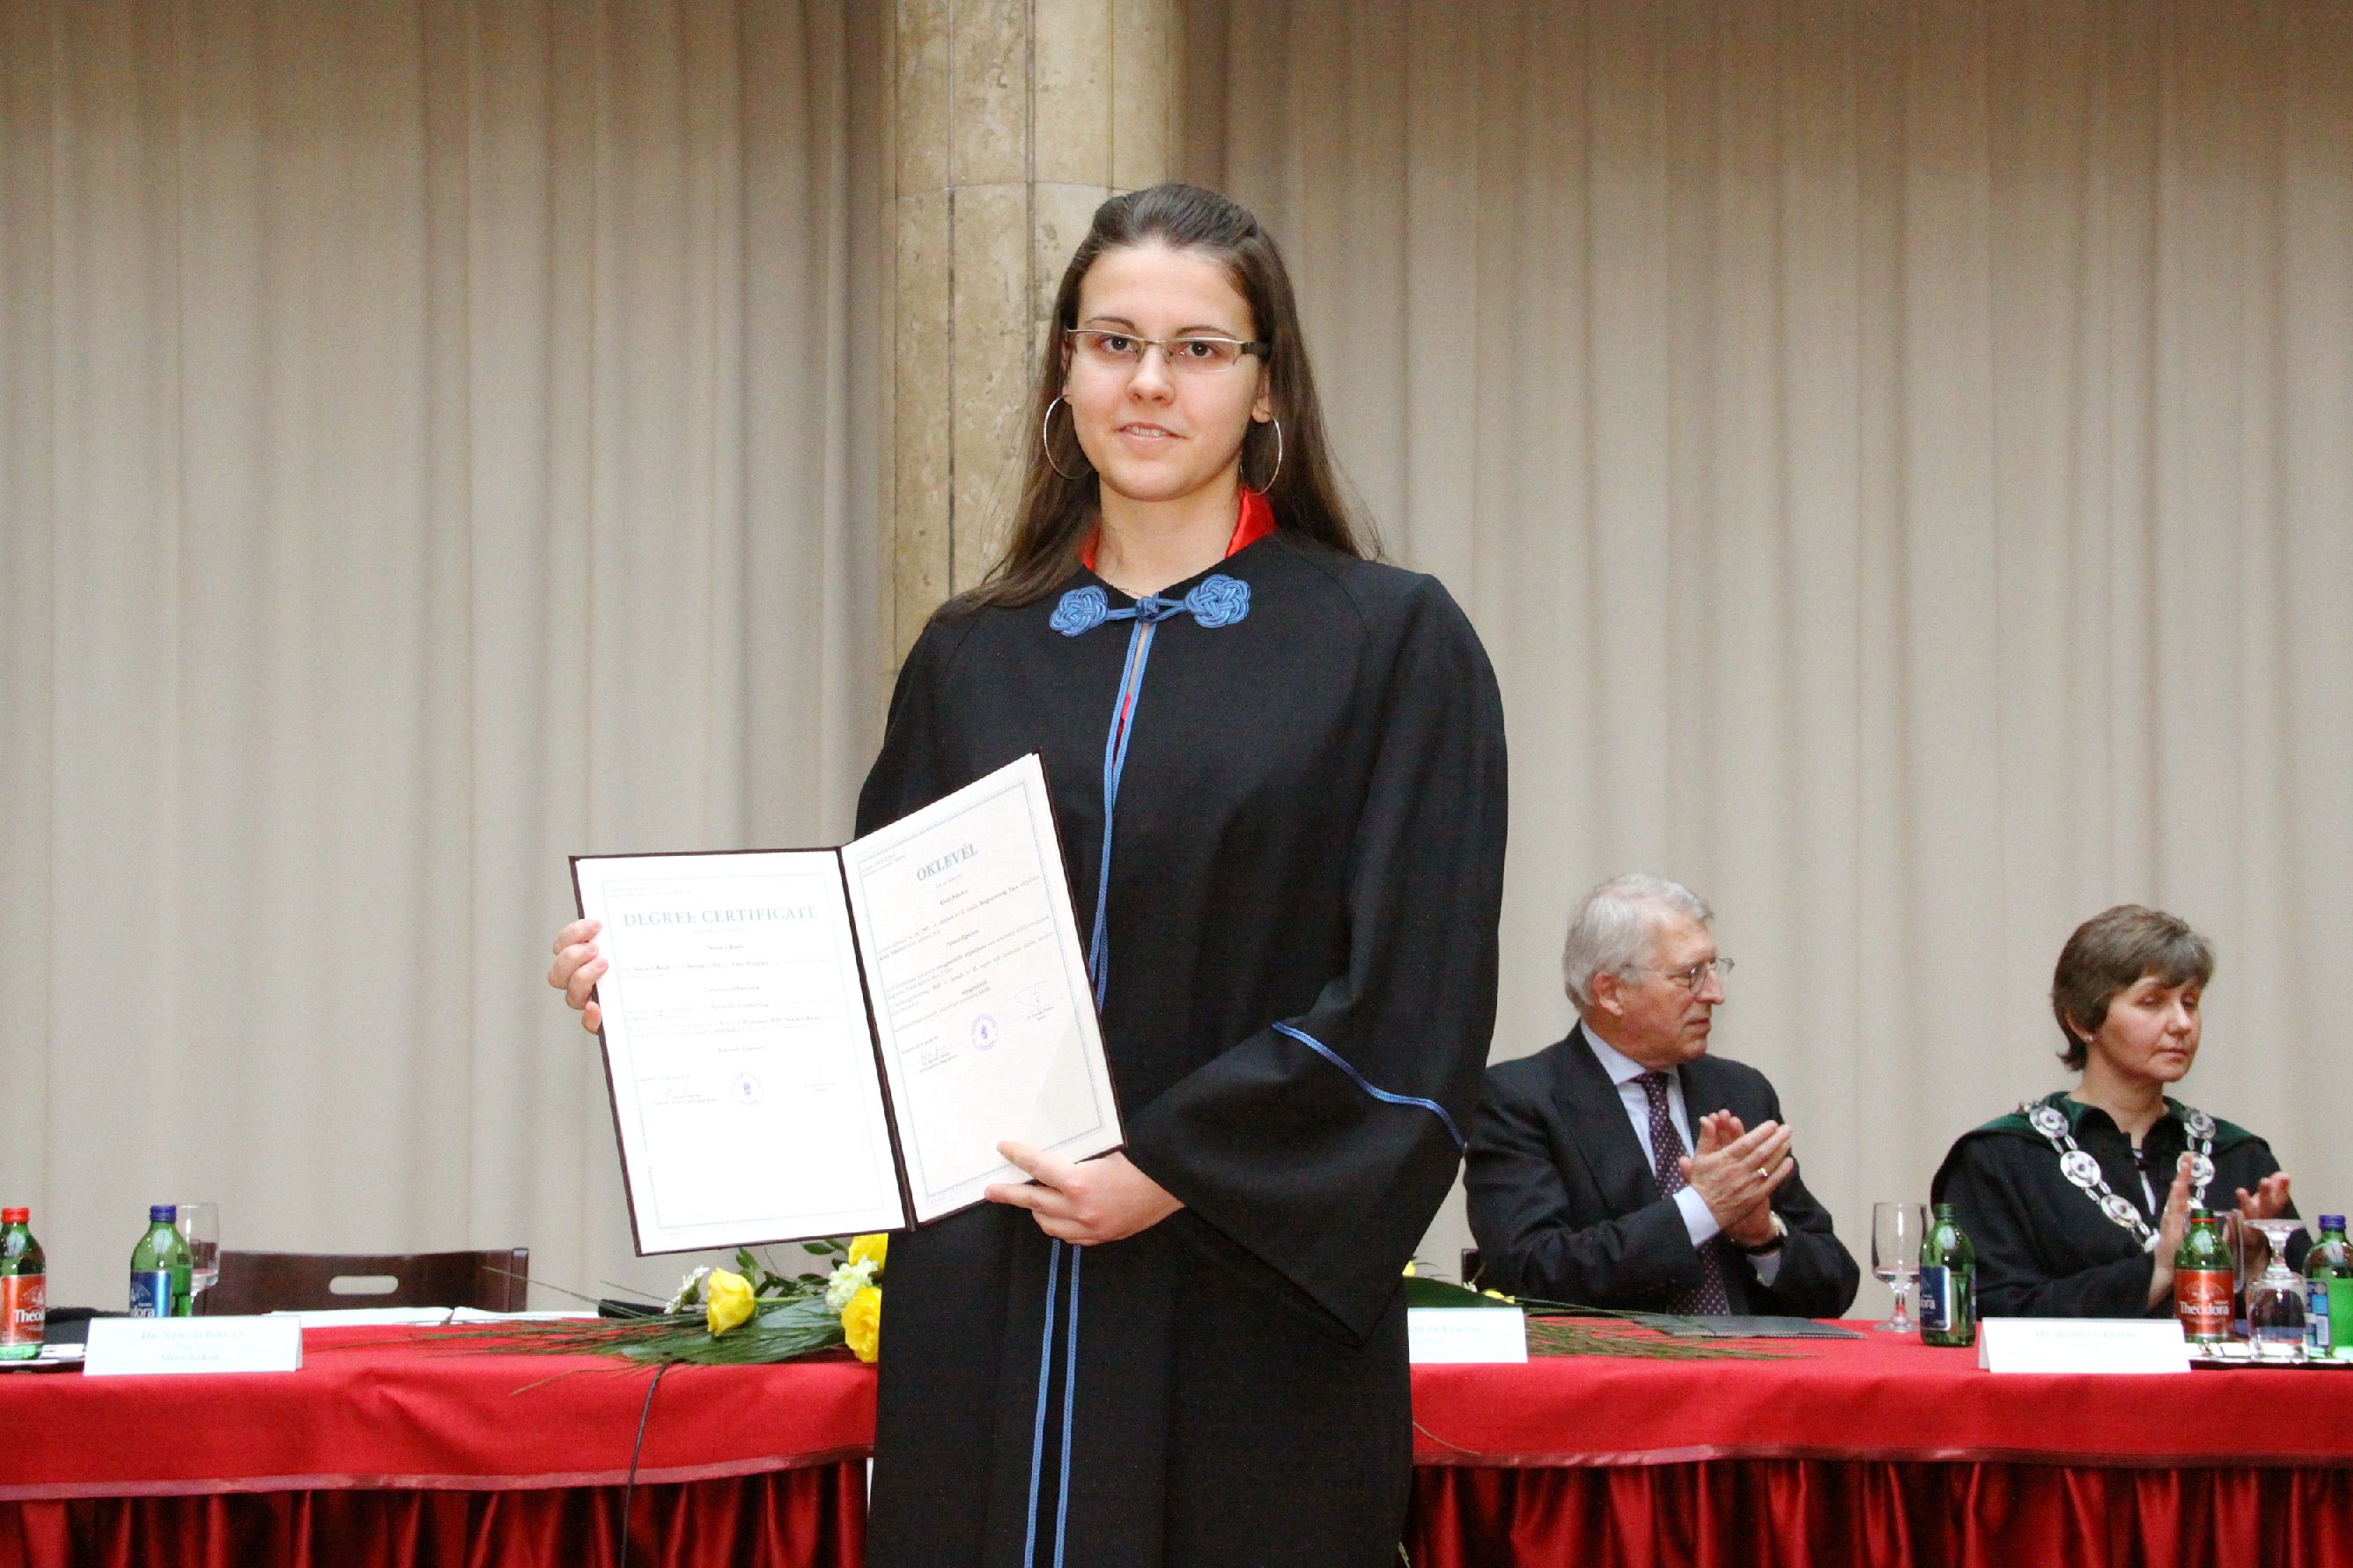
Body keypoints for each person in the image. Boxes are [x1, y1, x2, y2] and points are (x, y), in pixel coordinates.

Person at [550, 184, 1507, 1565]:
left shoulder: (1387, 644)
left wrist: (1168, 1168)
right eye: (1113, 342)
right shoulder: (974, 654)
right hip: (987, 1289)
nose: (1149, 382)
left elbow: (1412, 997)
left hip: (1241, 1294)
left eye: (1198, 348)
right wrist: (664, 1003)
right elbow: (884, 977)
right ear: (1066, 370)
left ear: (1266, 386)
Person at [1464, 874, 1858, 1317]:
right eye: (1691, 975)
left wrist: (1762, 1237)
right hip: (1613, 1361)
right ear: (1611, 993)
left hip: (1752, 1360)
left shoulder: (1740, 1091)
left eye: (1715, 968)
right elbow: (1531, 1271)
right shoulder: (1519, 1100)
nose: (1715, 994)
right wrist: (1700, 1210)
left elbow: (1835, 1286)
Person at [1933, 905, 2298, 1319]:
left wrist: (2258, 1265)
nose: (2182, 1023)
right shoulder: (2003, 1158)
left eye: (2190, 1002)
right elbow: (1990, 1314)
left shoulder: (2238, 1156)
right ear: (2083, 1020)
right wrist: (2157, 1273)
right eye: (2152, 1002)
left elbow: (2320, 1325)